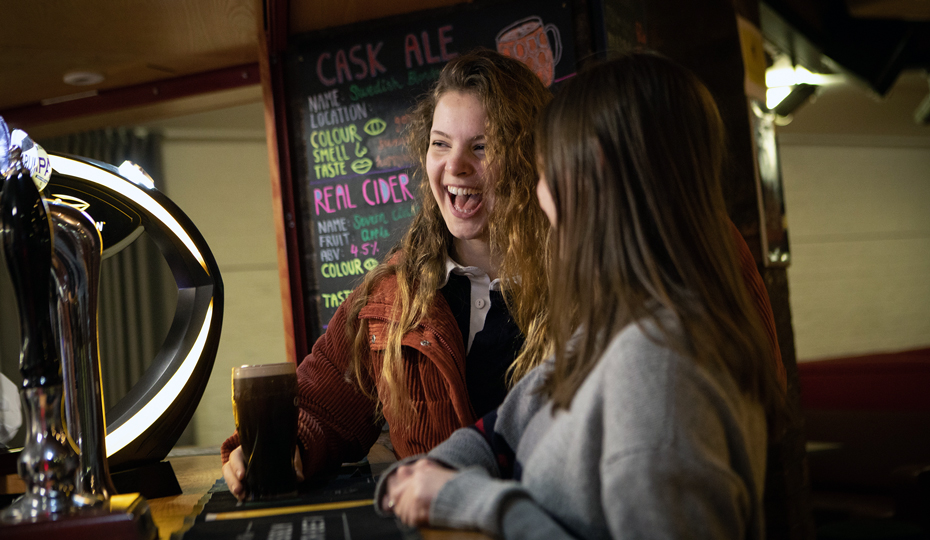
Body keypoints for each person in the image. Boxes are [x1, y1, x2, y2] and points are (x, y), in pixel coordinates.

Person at [376, 52, 788, 539]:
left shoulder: (660, 375)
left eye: (546, 169)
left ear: (595, 178)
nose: (540, 194)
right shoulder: (608, 329)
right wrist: (430, 473)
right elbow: (502, 432)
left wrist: (465, 499)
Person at [222, 49, 555, 499]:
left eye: (482, 146)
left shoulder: (578, 284)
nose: (455, 167)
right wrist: (284, 447)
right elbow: (322, 408)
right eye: (441, 143)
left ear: (528, 156)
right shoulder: (391, 294)